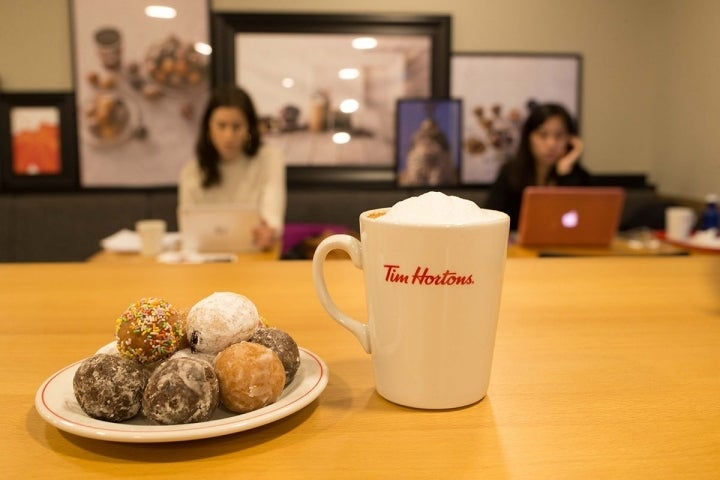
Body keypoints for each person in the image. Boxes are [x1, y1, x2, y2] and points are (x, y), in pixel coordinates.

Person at [178, 85, 286, 251]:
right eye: (221, 126)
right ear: (208, 128)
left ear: (249, 128)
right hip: (206, 262)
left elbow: (272, 218)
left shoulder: (269, 159)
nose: (229, 136)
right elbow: (188, 229)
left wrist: (269, 233)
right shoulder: (192, 171)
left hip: (257, 257)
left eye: (236, 127)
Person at [484, 103, 592, 229]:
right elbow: (490, 221)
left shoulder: (580, 177)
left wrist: (564, 173)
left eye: (559, 136)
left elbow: (584, 224)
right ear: (529, 137)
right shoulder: (510, 172)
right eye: (543, 135)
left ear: (570, 139)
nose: (551, 144)